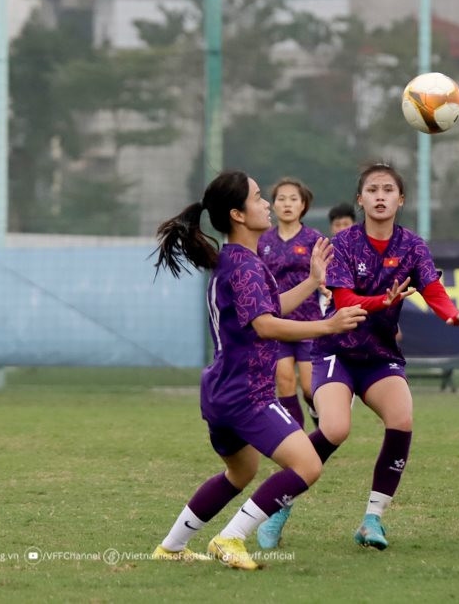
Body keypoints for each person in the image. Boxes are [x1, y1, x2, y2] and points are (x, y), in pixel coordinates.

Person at [257, 162, 459, 551]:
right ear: (360, 199)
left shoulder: (412, 245)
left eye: (388, 190)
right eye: (372, 190)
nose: (380, 196)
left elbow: (432, 288)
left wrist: (451, 314)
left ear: (400, 199)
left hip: (379, 355)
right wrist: (384, 301)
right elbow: (344, 303)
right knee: (336, 429)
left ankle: (372, 519)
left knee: (402, 419)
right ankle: (280, 502)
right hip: (335, 351)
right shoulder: (343, 244)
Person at [150, 170, 366, 570]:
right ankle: (230, 538)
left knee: (240, 471)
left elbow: (269, 308)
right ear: (237, 214)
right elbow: (264, 325)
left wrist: (311, 282)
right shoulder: (244, 266)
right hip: (246, 394)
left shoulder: (237, 260)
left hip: (220, 390)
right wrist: (327, 325)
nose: (266, 203)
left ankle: (172, 546)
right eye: (256, 197)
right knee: (307, 465)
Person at [258, 177, 325, 429]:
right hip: (276, 323)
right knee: (284, 381)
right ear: (273, 205)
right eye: (281, 199)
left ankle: (319, 421)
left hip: (309, 323)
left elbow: (325, 275)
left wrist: (326, 287)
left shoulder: (314, 240)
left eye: (293, 199)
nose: (287, 204)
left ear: (303, 205)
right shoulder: (263, 241)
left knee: (309, 387)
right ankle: (294, 438)